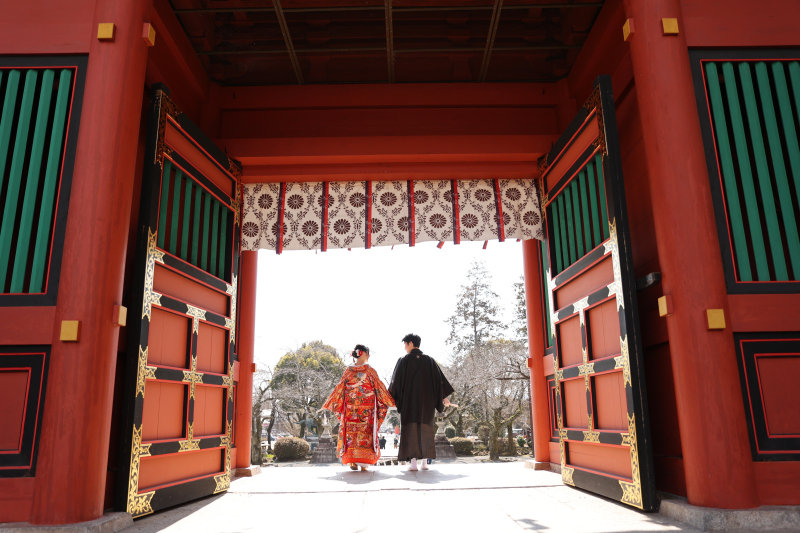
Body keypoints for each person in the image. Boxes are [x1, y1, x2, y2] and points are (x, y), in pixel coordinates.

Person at [322, 344, 395, 471]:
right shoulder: (370, 370)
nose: (369, 356)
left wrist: (331, 402)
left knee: (351, 435)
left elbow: (339, 389)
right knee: (365, 435)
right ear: (364, 353)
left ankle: (353, 462)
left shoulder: (348, 371)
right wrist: (391, 401)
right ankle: (364, 463)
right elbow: (380, 388)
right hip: (367, 410)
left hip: (351, 410)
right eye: (368, 353)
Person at [389, 333, 454, 471]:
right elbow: (439, 381)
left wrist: (391, 398)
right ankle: (425, 462)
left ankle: (413, 464)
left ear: (410, 343)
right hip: (427, 403)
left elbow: (396, 382)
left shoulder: (403, 360)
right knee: (426, 430)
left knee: (410, 430)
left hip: (409, 402)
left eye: (405, 344)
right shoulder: (429, 360)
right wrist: (444, 398)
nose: (405, 348)